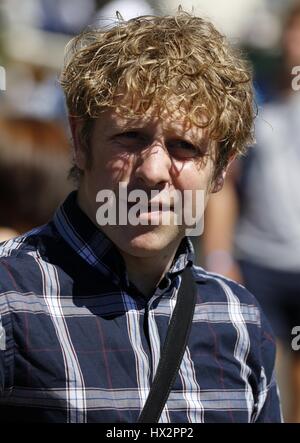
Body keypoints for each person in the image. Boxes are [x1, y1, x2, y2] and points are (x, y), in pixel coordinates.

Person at [0, 10, 282, 423]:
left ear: (221, 170)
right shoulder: (10, 299)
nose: (152, 171)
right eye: (130, 137)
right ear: (81, 141)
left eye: (184, 146)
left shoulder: (240, 320)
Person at [203, 3, 300, 422]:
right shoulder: (255, 99)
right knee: (261, 377)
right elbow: (225, 188)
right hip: (258, 262)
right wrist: (220, 260)